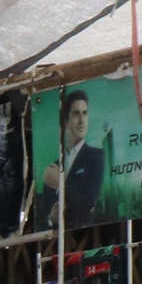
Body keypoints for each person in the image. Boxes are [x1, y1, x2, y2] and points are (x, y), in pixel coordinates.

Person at [32, 88, 105, 227]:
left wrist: (60, 185)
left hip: (86, 236)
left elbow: (89, 204)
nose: (82, 120)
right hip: (58, 244)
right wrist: (51, 219)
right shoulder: (53, 168)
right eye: (76, 114)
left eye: (85, 113)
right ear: (65, 121)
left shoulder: (96, 157)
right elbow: (40, 219)